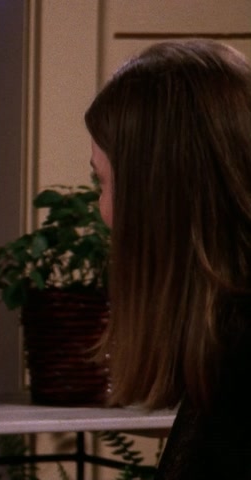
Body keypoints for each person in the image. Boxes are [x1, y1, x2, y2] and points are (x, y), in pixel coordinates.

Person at [85, 40, 251, 479]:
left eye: (104, 183)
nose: (103, 210)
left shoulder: (240, 366)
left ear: (158, 196)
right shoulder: (219, 349)